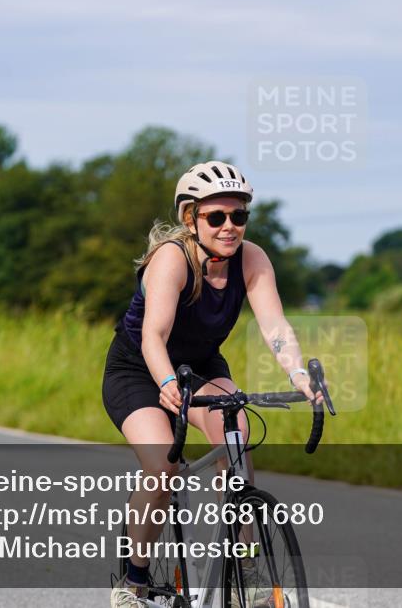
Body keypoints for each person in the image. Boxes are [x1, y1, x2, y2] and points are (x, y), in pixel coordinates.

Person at [102, 161, 323, 607]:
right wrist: (165, 382)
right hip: (140, 370)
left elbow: (274, 325)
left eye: (238, 216)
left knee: (236, 434)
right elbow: (153, 337)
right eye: (216, 217)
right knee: (163, 468)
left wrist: (298, 373)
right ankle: (134, 582)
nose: (229, 227)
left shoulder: (252, 258)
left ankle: (246, 565)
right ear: (191, 218)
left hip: (200, 365)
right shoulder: (172, 258)